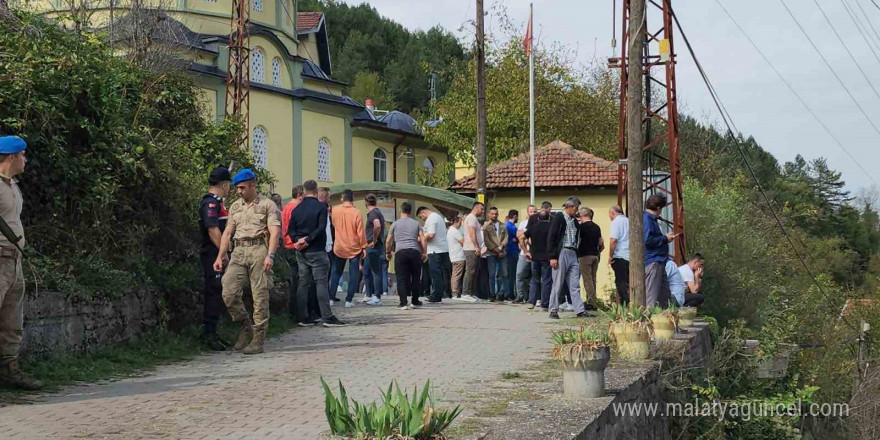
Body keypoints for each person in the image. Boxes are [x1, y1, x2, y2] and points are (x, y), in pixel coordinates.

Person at [213, 169, 281, 354]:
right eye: (237, 188)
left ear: (253, 185)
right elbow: (227, 232)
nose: (239, 191)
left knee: (260, 294)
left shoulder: (268, 205)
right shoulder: (235, 206)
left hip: (259, 249)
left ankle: (258, 338)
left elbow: (275, 231)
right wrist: (220, 255)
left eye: (242, 188)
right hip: (239, 250)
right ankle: (246, 328)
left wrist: (271, 255)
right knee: (228, 290)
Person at [0, 136, 41, 390]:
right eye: (23, 155)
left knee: (12, 319)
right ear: (12, 156)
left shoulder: (12, 185)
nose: (25, 160)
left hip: (14, 260)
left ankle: (8, 370)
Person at [289, 180, 347, 327]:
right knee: (321, 283)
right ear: (315, 191)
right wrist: (308, 239)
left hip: (301, 251)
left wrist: (298, 240)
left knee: (303, 283)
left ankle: (303, 317)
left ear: (304, 191)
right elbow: (321, 227)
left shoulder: (297, 209)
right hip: (317, 250)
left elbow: (291, 230)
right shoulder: (321, 207)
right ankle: (326, 316)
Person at [197, 167, 232, 351]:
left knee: (217, 293)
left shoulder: (218, 202)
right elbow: (213, 230)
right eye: (229, 185)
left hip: (216, 254)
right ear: (225, 185)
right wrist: (223, 253)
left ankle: (214, 332)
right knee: (212, 293)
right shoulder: (210, 203)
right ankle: (208, 334)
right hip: (212, 255)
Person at [282, 185, 318, 326]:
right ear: (299, 195)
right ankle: (300, 313)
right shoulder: (294, 209)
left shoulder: (286, 207)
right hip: (294, 245)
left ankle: (296, 312)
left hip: (287, 245)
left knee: (296, 280)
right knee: (302, 282)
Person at [547, 197, 588, 319]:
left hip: (573, 252)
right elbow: (551, 237)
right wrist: (552, 256)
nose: (577, 210)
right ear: (569, 207)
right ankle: (553, 309)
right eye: (576, 208)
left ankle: (579, 310)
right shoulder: (559, 218)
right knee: (558, 283)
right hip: (562, 252)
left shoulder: (575, 221)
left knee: (575, 284)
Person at [385, 202, 427, 310]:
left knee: (401, 278)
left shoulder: (395, 224)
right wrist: (424, 252)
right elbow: (422, 239)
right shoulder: (416, 223)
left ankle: (403, 303)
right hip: (414, 252)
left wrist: (388, 252)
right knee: (416, 278)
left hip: (400, 253)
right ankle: (415, 301)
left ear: (400, 210)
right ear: (410, 212)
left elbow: (389, 240)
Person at [331, 189, 367, 308]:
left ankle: (331, 297)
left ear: (342, 198)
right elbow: (360, 232)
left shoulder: (335, 210)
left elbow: (334, 224)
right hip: (354, 247)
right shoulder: (357, 212)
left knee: (336, 273)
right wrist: (364, 246)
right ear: (353, 199)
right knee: (353, 274)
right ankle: (349, 300)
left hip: (339, 246)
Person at [644, 193, 677, 308]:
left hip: (659, 260)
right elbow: (647, 240)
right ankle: (648, 320)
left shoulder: (649, 219)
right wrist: (665, 238)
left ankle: (667, 319)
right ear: (658, 207)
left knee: (665, 296)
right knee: (652, 296)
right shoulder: (647, 219)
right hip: (653, 260)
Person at [417, 206, 450, 303]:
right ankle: (443, 293)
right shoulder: (438, 217)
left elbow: (431, 234)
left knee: (435, 274)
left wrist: (421, 238)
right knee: (442, 273)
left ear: (423, 212)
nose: (422, 219)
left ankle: (436, 295)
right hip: (443, 249)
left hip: (435, 250)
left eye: (421, 217)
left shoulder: (431, 219)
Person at [524, 202, 554, 310]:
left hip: (534, 256)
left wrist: (525, 250)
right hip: (546, 256)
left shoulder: (533, 227)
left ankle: (531, 301)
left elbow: (522, 237)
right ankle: (544, 304)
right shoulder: (551, 227)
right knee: (546, 280)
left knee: (534, 279)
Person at [576, 207, 603, 311]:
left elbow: (578, 241)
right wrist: (597, 251)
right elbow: (601, 242)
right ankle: (592, 300)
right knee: (593, 278)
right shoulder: (597, 227)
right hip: (595, 255)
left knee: (587, 280)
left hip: (584, 255)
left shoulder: (581, 227)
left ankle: (591, 302)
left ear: (582, 215)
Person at [318, 187, 340, 304]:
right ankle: (325, 299)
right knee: (326, 273)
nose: (330, 199)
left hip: (326, 244)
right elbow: (325, 228)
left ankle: (326, 298)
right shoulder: (322, 209)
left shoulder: (324, 209)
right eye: (329, 197)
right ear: (324, 197)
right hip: (325, 245)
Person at [362, 194, 386, 305]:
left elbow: (377, 225)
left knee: (375, 272)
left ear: (366, 203)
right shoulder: (377, 212)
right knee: (366, 270)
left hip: (373, 246)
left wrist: (374, 239)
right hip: (370, 247)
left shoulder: (373, 213)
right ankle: (368, 295)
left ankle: (377, 297)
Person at [482, 207, 508, 302]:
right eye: (492, 214)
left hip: (502, 252)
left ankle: (500, 293)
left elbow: (506, 237)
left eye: (496, 214)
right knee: (492, 275)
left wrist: (501, 247)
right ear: (489, 214)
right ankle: (492, 294)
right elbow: (486, 240)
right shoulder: (486, 226)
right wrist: (496, 250)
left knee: (503, 274)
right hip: (491, 253)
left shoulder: (502, 225)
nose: (494, 215)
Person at [461, 202, 484, 301]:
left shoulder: (474, 219)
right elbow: (472, 233)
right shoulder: (471, 218)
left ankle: (471, 293)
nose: (482, 211)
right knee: (470, 271)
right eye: (481, 209)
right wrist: (476, 247)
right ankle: (465, 293)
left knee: (474, 271)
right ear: (475, 208)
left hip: (474, 248)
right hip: (471, 248)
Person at [608, 205, 630, 304]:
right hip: (630, 255)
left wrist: (610, 255)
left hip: (620, 255)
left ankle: (624, 303)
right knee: (629, 281)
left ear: (612, 213)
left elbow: (613, 240)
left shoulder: (615, 222)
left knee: (620, 282)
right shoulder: (629, 221)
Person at [515, 205, 537, 304]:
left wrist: (526, 236)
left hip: (535, 253)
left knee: (534, 276)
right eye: (531, 211)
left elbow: (532, 240)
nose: (533, 213)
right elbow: (519, 235)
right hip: (524, 253)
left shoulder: (538, 223)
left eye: (534, 211)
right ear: (528, 212)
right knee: (520, 274)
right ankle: (520, 295)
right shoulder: (523, 223)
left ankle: (532, 297)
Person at [446, 215, 466, 299]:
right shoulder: (454, 231)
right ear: (455, 222)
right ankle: (455, 292)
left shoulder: (451, 230)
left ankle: (456, 291)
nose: (460, 225)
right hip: (458, 256)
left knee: (456, 274)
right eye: (460, 223)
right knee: (456, 275)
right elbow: (463, 241)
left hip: (455, 256)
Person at [504, 210, 520, 303]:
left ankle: (509, 293)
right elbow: (516, 238)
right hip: (511, 251)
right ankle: (510, 294)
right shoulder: (511, 227)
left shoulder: (509, 226)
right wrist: (517, 239)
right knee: (512, 274)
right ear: (514, 216)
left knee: (510, 274)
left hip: (511, 251)